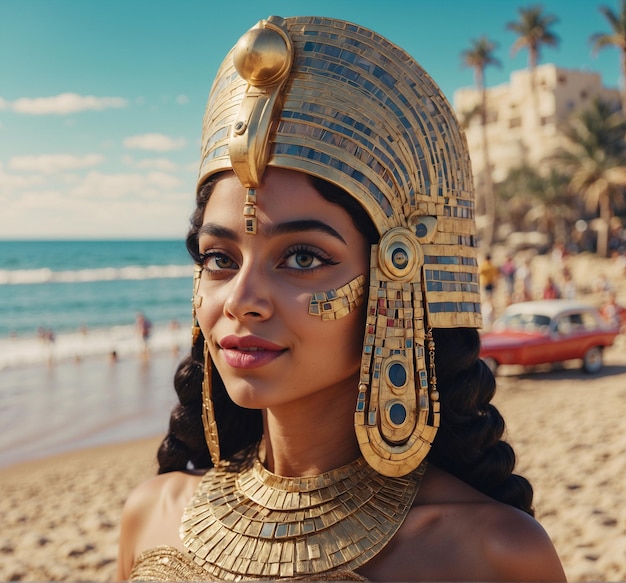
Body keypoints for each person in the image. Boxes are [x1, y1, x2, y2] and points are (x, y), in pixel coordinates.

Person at [116, 16, 565, 582]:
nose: (241, 301)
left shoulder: (488, 554)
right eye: (219, 259)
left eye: (302, 258)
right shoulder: (151, 515)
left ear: (396, 279)